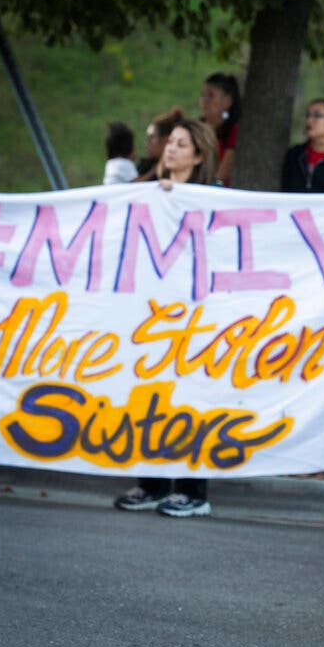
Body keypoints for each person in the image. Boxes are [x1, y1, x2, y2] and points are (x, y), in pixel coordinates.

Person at [113, 118, 219, 518]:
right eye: (170, 142)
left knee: (192, 399)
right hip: (151, 315)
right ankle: (152, 483)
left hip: (196, 317)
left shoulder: (214, 199)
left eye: (181, 144)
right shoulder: (143, 194)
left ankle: (192, 490)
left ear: (199, 155)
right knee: (149, 396)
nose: (170, 149)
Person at [199, 73, 241, 186]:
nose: (204, 100)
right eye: (202, 95)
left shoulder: (233, 131)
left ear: (227, 101)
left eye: (211, 96)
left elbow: (224, 170)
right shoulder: (196, 128)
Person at [134, 106, 184, 182]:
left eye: (151, 138)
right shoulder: (146, 165)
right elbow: (132, 186)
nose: (146, 144)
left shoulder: (183, 166)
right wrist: (154, 171)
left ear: (166, 140)